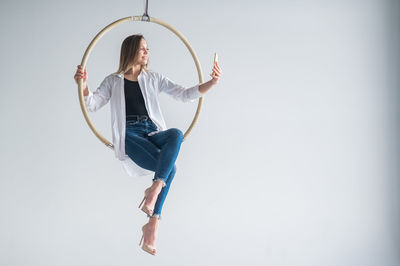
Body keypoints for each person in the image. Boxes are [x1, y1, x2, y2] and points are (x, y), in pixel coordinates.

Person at [73, 34, 222, 255]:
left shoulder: (154, 78)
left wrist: (212, 82)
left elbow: (184, 94)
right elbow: (92, 104)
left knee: (176, 134)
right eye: (142, 48)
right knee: (170, 168)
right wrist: (83, 84)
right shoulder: (113, 81)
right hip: (129, 135)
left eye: (148, 49)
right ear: (130, 51)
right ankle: (153, 220)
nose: (147, 52)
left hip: (151, 132)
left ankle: (154, 194)